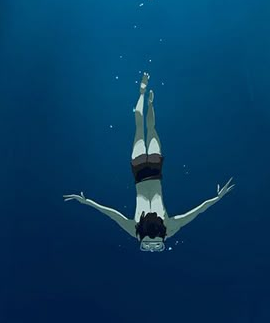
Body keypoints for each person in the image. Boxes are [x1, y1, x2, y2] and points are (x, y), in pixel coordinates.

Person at [64, 72, 234, 252]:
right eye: (155, 245)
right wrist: (216, 198)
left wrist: (88, 201)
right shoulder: (168, 228)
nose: (152, 245)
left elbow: (112, 214)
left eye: (148, 246)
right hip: (152, 169)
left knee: (139, 125)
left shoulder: (137, 230)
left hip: (141, 170)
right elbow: (196, 211)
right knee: (149, 128)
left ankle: (142, 94)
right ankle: (149, 102)